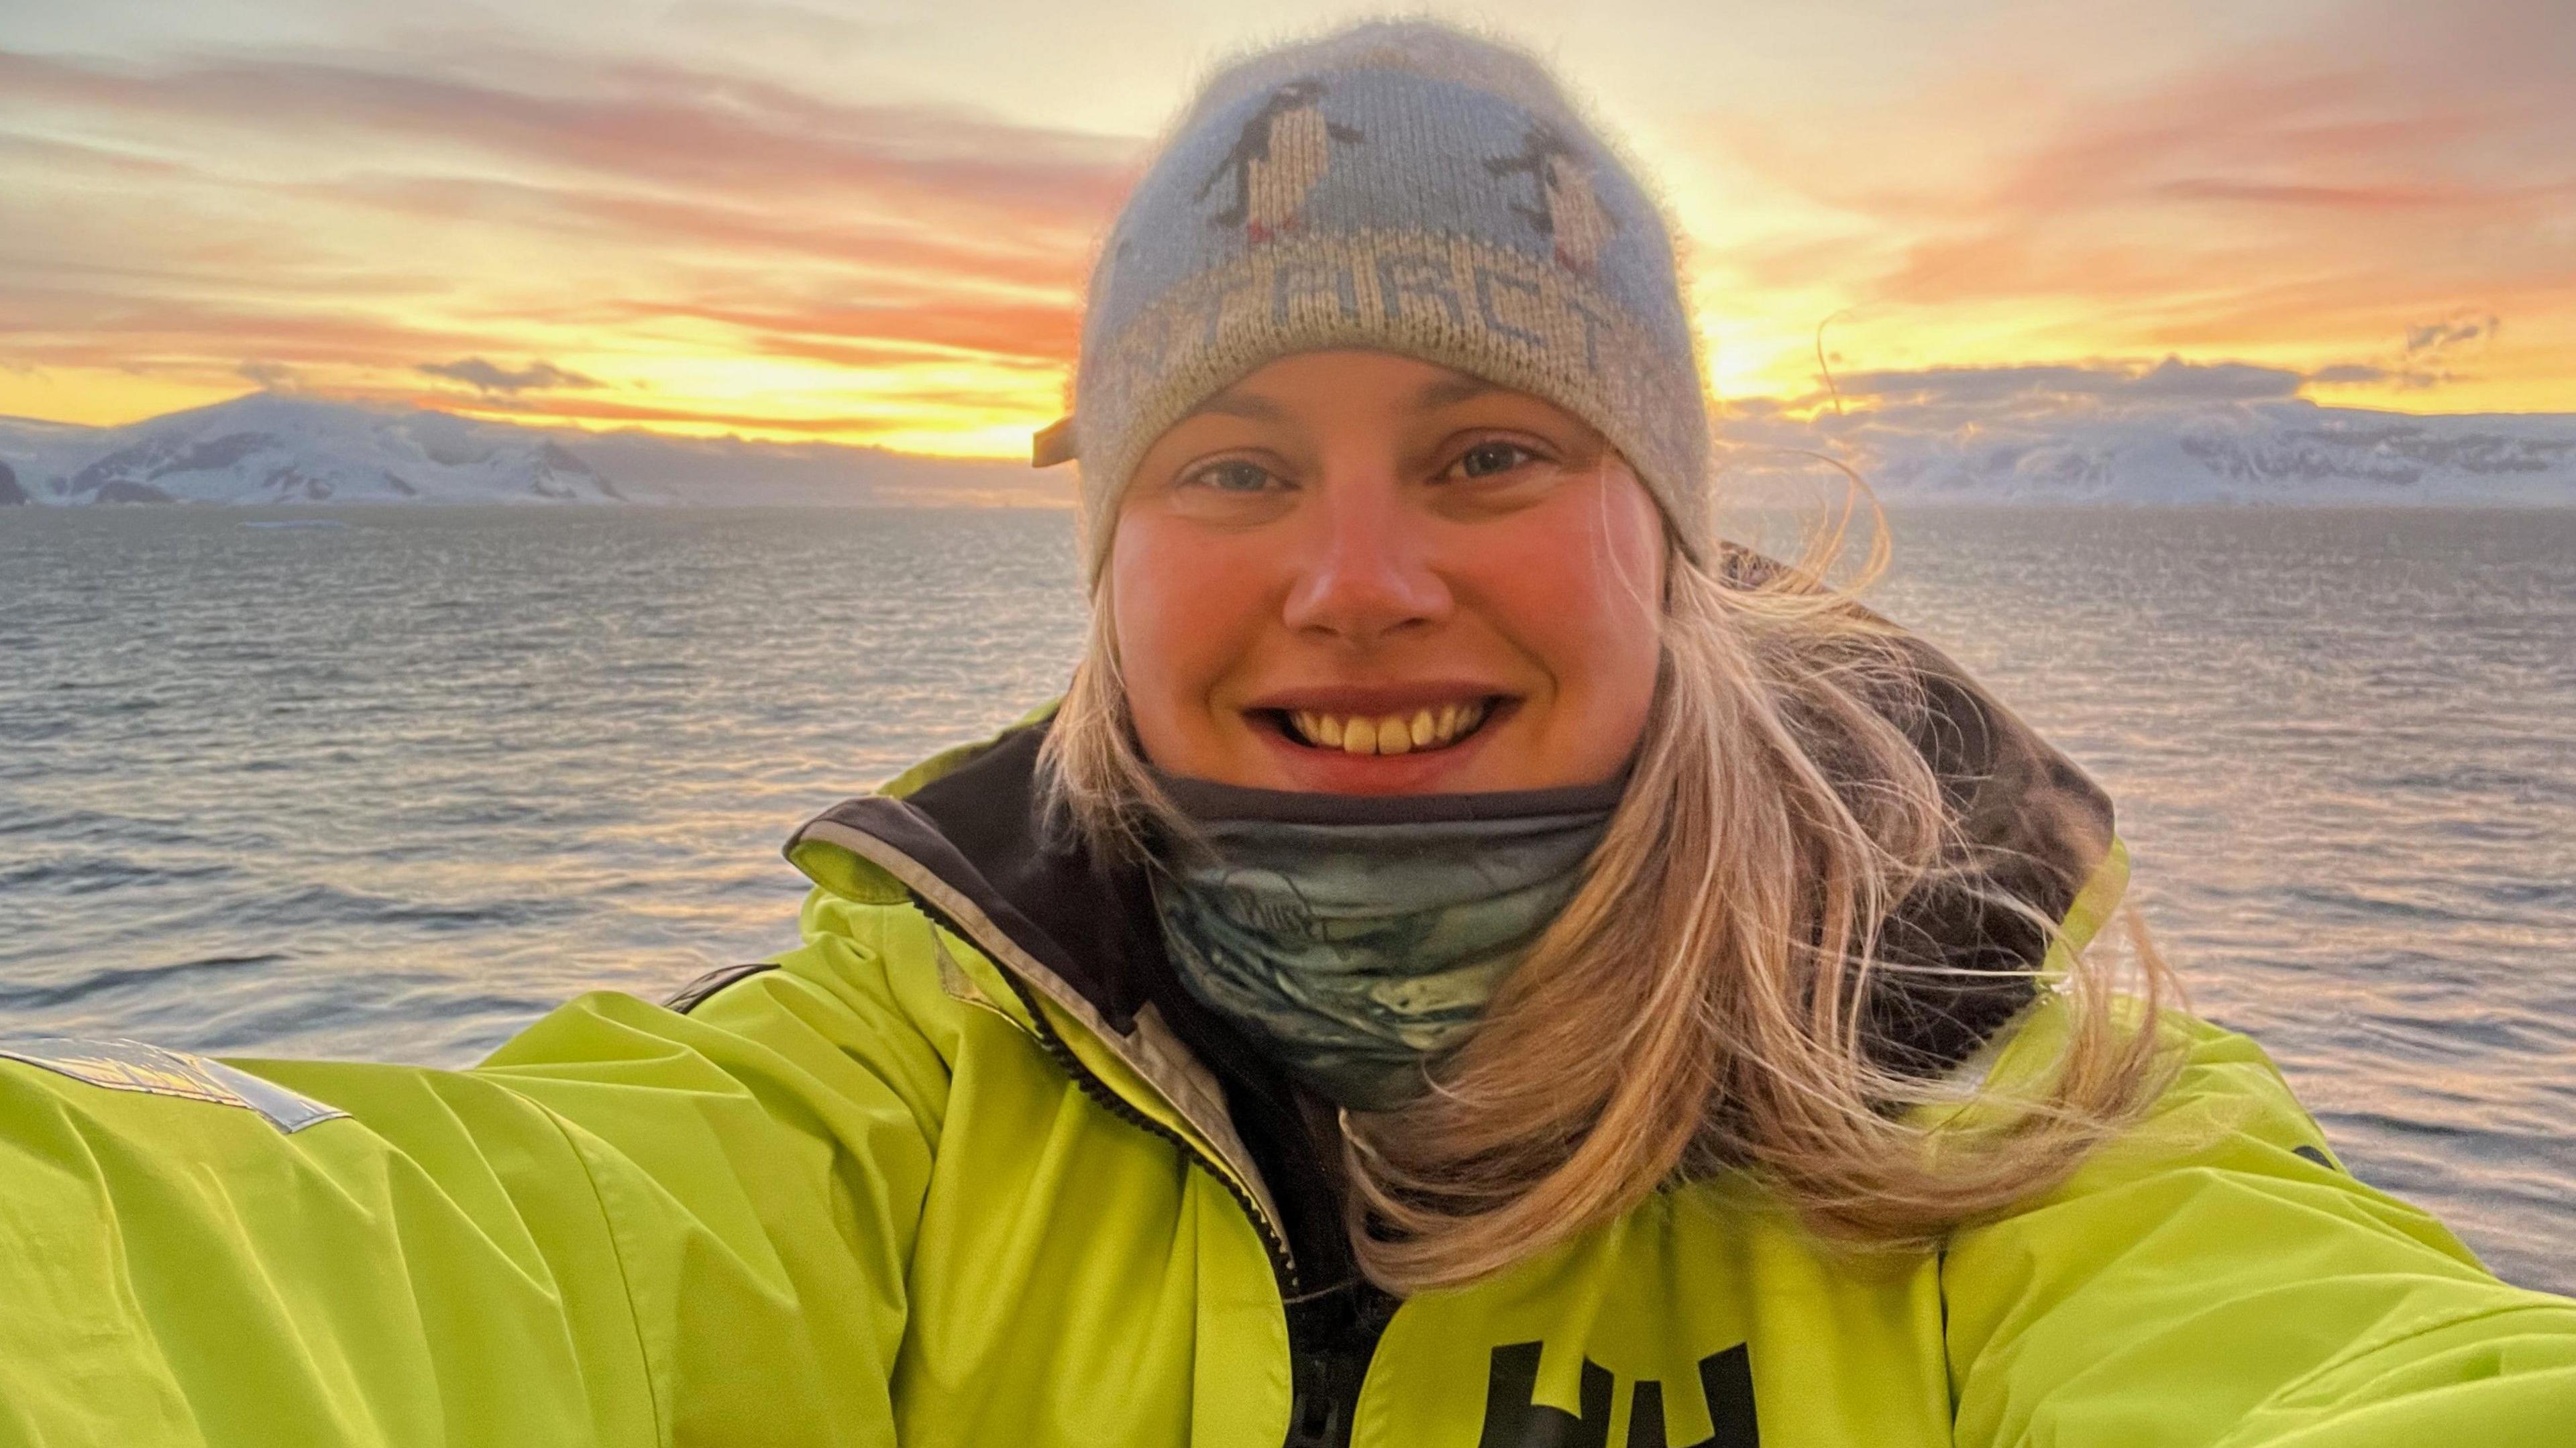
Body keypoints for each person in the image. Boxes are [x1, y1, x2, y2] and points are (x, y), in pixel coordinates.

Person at [3, 16, 2570, 1447]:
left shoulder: (1969, 1071)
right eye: (1234, 468)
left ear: (1661, 540)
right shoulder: (907, 1077)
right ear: (1109, 551)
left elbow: (2335, 1359)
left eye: (1488, 451)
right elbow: (399, 1263)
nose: (1357, 580)